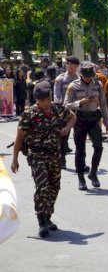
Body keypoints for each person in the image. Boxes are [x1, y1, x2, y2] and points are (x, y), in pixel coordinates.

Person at [11, 81, 76, 238]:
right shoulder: (29, 115)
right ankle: (41, 221)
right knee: (42, 187)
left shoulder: (57, 108)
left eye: (48, 99)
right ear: (36, 100)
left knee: (54, 186)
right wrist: (15, 159)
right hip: (37, 155)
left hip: (55, 154)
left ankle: (48, 217)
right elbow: (19, 138)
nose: (46, 103)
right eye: (42, 100)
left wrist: (67, 128)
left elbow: (72, 117)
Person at [64, 62, 108, 191]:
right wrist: (81, 102)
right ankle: (81, 178)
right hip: (79, 119)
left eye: (90, 76)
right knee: (80, 150)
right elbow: (66, 105)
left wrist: (107, 123)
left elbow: (103, 104)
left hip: (94, 119)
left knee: (98, 147)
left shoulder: (98, 85)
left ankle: (93, 173)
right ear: (81, 75)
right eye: (86, 76)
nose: (88, 78)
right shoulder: (73, 86)